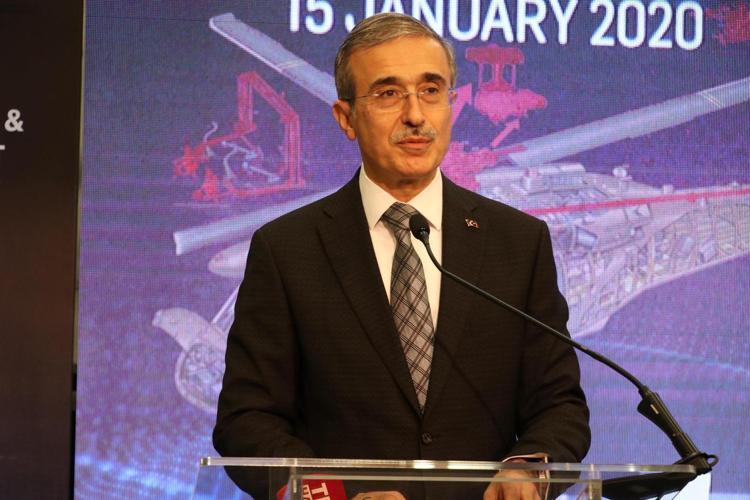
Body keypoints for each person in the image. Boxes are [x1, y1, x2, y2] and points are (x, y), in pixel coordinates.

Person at [213, 13, 590, 500]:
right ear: (346, 118)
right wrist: (335, 496)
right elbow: (247, 420)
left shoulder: (517, 242)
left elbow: (559, 405)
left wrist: (527, 471)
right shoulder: (287, 249)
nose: (415, 115)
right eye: (388, 93)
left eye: (431, 90)